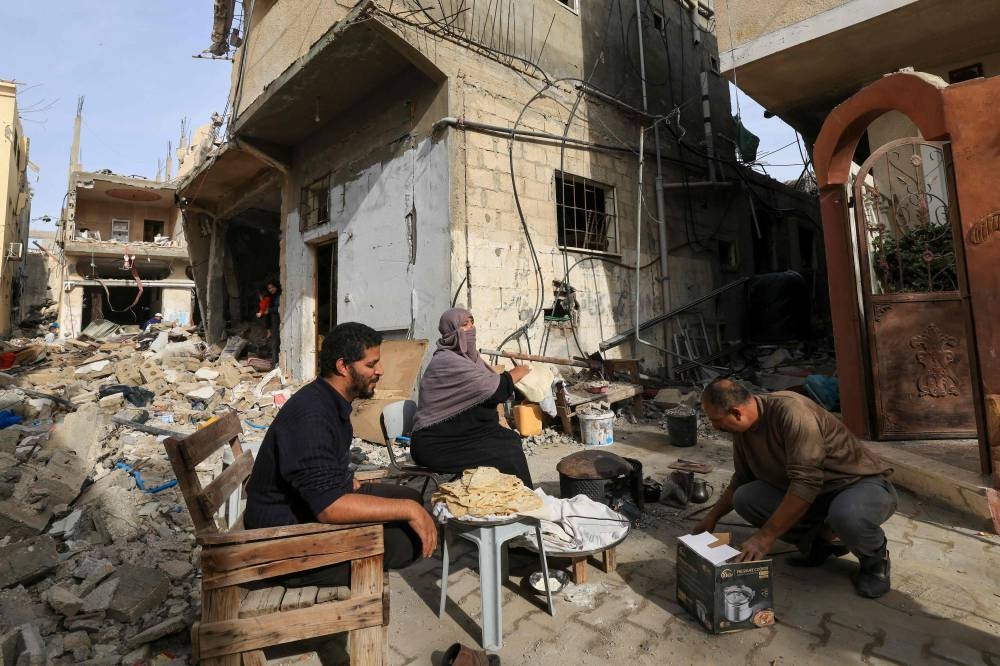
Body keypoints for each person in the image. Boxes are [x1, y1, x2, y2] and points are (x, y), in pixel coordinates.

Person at [244, 322, 437, 586]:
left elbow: (318, 471)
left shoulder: (329, 400)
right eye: (371, 365)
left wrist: (346, 481)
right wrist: (408, 511)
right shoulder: (311, 417)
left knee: (411, 496)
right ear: (343, 366)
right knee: (407, 537)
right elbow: (328, 507)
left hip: (304, 508)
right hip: (282, 542)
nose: (380, 371)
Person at [694, 378, 897, 598]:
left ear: (736, 412)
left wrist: (764, 538)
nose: (715, 427)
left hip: (857, 485)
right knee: (745, 498)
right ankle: (822, 541)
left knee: (847, 516)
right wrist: (710, 518)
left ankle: (875, 561)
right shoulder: (743, 431)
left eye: (716, 420)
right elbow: (741, 479)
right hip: (814, 494)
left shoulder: (792, 412)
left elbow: (806, 483)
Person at [410, 308, 534, 488]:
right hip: (437, 444)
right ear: (451, 331)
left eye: (472, 322)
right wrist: (516, 373)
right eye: (464, 324)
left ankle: (509, 499)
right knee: (506, 454)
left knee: (510, 440)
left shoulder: (469, 358)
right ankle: (520, 504)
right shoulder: (447, 361)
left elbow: (485, 395)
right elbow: (496, 391)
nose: (471, 328)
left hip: (462, 433)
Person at [263, 281, 281, 364]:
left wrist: (269, 310)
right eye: (269, 288)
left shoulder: (280, 296)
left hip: (281, 322)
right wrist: (268, 329)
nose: (271, 289)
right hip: (274, 324)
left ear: (276, 286)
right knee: (274, 343)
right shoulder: (269, 298)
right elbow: (266, 315)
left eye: (272, 287)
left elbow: (281, 308)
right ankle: (275, 362)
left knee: (279, 343)